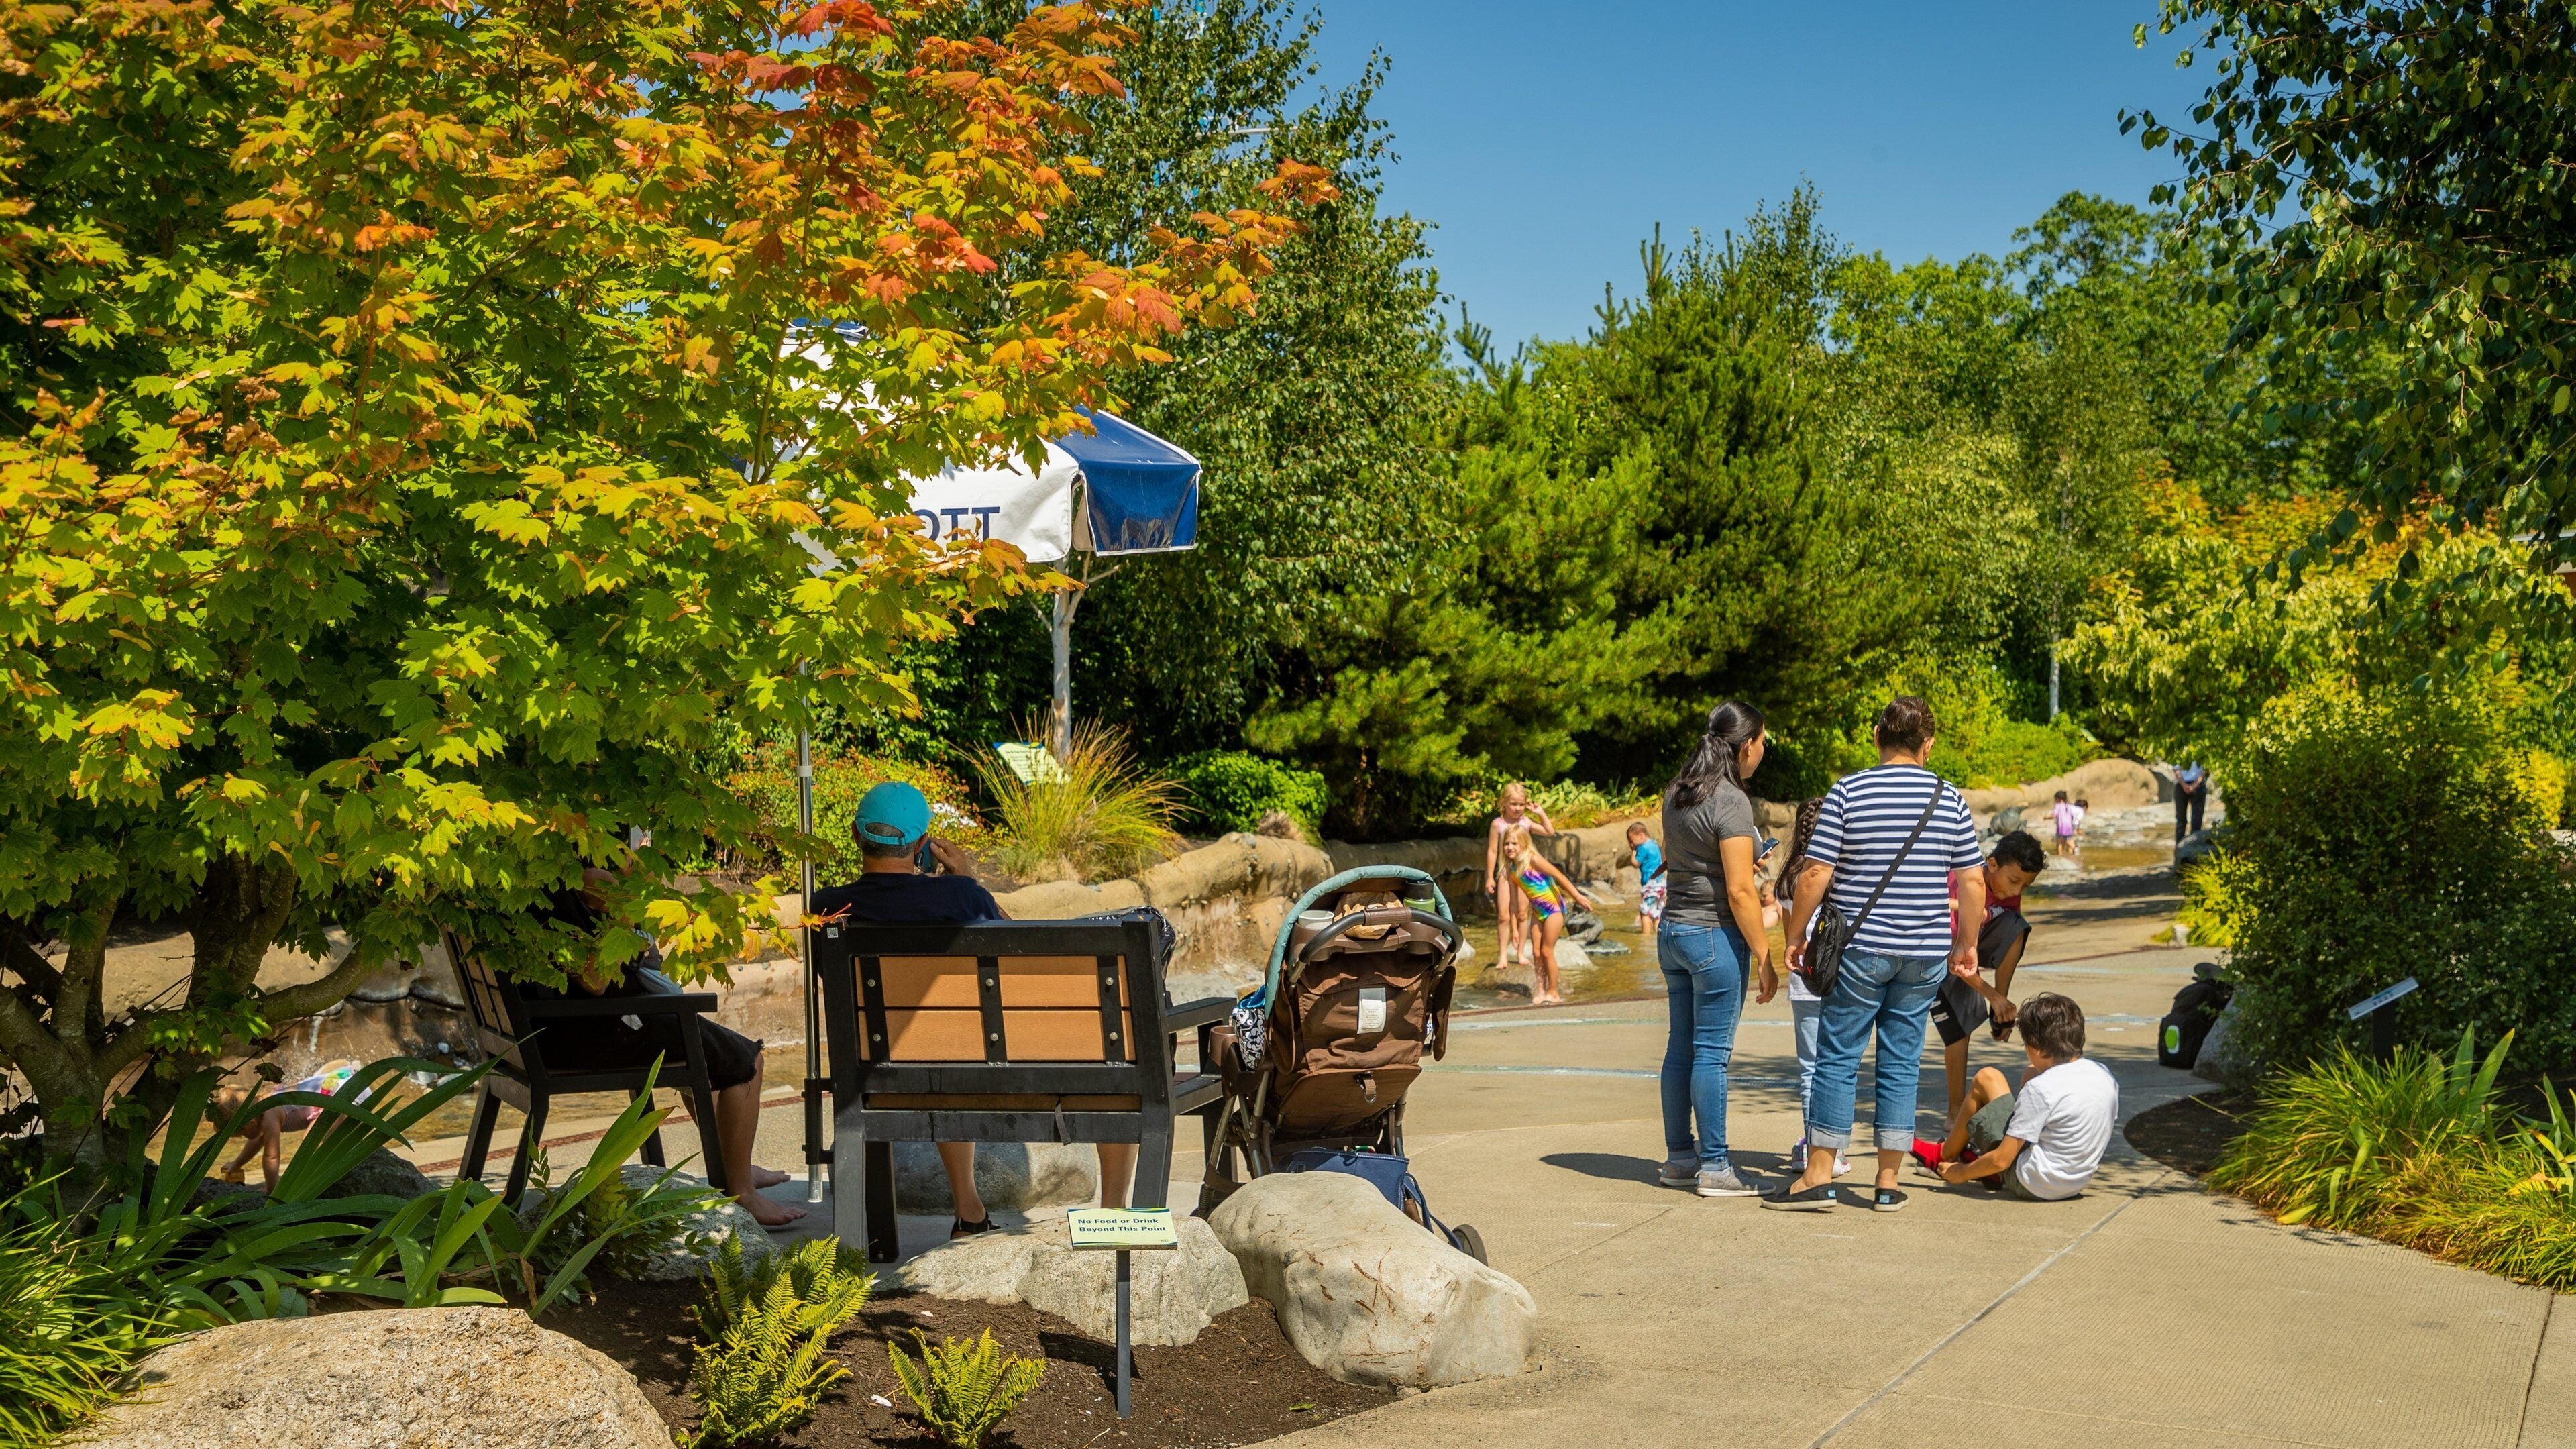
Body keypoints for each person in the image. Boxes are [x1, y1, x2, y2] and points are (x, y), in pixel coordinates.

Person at [807, 781, 1152, 1237]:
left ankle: (970, 1210)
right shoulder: (961, 898)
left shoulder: (827, 907)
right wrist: (968, 881)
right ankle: (1110, 1218)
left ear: (855, 835)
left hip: (880, 1076)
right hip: (984, 1072)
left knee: (939, 1044)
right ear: (922, 844)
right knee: (1114, 1065)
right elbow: (1025, 953)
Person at [1772, 695, 1984, 1214]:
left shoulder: (1849, 790)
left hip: (1860, 948)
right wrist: (1968, 944)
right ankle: (1887, 1183)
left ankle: (1818, 1176)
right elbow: (1973, 879)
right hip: (1926, 952)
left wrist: (1795, 935)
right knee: (1902, 1062)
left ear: (1875, 737)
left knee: (1838, 1058)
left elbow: (1816, 873)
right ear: (1927, 745)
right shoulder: (1948, 796)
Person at [527, 871, 806, 1225]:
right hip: (592, 1033)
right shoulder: (558, 893)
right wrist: (618, 917)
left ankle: (735, 1163)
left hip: (562, 1030)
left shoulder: (530, 886)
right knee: (745, 1059)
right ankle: (742, 1192)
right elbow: (595, 982)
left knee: (700, 1049)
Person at [1656, 700, 1780, 1198]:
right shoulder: (1731, 800)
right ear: (1745, 745)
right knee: (1712, 1054)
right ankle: (1715, 1167)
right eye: (1763, 742)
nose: (1764, 751)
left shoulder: (1678, 791)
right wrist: (1766, 957)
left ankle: (1680, 1159)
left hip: (1673, 932)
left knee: (1680, 1049)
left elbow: (1683, 861)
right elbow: (1739, 891)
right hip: (1713, 936)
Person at [1934, 993, 2119, 1201]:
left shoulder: (2041, 1089)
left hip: (2033, 1182)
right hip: (2074, 1182)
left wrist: (1960, 1173)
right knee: (2032, 1072)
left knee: (1987, 1078)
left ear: (2037, 1048)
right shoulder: (2104, 1074)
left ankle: (1944, 1155)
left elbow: (2001, 1161)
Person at [1925, 830, 2046, 1144]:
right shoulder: (1965, 882)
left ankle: (1998, 1011)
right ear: (1991, 864)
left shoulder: (2008, 891)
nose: (2016, 890)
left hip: (1971, 949)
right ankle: (1954, 1112)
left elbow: (2008, 938)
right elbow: (1956, 962)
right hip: (1938, 955)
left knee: (2017, 926)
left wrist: (1998, 1001)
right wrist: (1988, 992)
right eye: (2014, 880)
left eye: (2025, 885)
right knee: (1959, 1028)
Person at [1774, 798, 1847, 1181]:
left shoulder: (1788, 879)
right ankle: (1833, 1150)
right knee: (1838, 1064)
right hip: (1840, 978)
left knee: (1809, 1069)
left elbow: (1791, 935)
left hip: (1803, 980)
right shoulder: (1842, 873)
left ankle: (1812, 1146)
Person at [214, 1059, 364, 1191]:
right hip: (341, 1083)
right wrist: (237, 1163)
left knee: (310, 1142)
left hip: (347, 1096)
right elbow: (256, 1140)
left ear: (250, 1124)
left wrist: (272, 1188)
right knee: (312, 1141)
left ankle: (316, 1179)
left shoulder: (269, 1115)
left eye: (240, 1134)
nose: (242, 1138)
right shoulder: (262, 1106)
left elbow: (271, 1156)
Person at [1501, 830, 1593, 1006]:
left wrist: (1578, 896)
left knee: (1546, 951)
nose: (1510, 848)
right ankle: (1540, 990)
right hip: (1538, 913)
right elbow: (1513, 903)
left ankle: (1553, 992)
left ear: (1524, 844)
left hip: (1554, 910)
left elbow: (1559, 876)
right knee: (1536, 953)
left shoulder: (1533, 859)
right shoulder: (1511, 869)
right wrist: (1514, 929)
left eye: (1514, 843)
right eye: (1507, 844)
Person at [1486, 784, 1558, 972]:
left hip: (1525, 874)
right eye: (1514, 804)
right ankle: (1502, 954)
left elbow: (1550, 832)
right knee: (1503, 915)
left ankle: (1520, 952)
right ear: (1504, 803)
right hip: (1504, 873)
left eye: (1521, 804)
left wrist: (1540, 813)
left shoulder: (1526, 822)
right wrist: (1489, 877)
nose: (1518, 808)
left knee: (1522, 913)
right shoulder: (1498, 824)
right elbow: (1493, 851)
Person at [1627, 820, 1667, 947]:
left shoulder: (1642, 848)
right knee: (1657, 913)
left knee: (1644, 913)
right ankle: (1658, 936)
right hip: (1661, 884)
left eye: (1632, 841)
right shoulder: (1655, 845)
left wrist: (1633, 853)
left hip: (1650, 885)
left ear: (1641, 835)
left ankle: (1646, 937)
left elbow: (1635, 863)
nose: (1632, 845)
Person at [2174, 762, 2210, 843]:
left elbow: (2207, 768)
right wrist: (2184, 785)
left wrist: (2195, 784)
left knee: (2197, 820)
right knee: (2181, 820)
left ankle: (2195, 848)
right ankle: (2179, 847)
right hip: (2181, 785)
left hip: (2199, 785)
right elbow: (2176, 769)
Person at [2049, 789, 2078, 859]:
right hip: (2069, 828)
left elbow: (2054, 815)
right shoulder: (2069, 806)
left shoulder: (2058, 806)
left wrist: (2046, 817)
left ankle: (2060, 856)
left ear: (2058, 799)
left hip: (2061, 827)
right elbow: (2073, 815)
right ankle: (2074, 852)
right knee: (2068, 840)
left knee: (2059, 843)